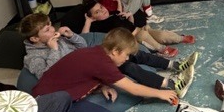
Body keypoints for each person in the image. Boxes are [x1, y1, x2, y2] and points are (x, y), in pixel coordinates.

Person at [18, 13, 196, 84]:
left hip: (88, 58)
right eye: (47, 29)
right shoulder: (32, 58)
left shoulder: (59, 38)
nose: (52, 29)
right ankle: (167, 84)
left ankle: (172, 65)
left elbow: (83, 45)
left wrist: (71, 36)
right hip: (81, 73)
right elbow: (46, 76)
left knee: (130, 52)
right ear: (34, 38)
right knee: (127, 66)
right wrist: (54, 49)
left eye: (50, 25)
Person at [33, 27, 192, 105]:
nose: (128, 58)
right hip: (44, 100)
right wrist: (160, 94)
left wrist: (102, 86)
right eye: (126, 55)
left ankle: (173, 66)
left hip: (46, 89)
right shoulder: (104, 64)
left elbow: (88, 72)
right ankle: (169, 83)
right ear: (115, 51)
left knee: (131, 64)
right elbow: (133, 88)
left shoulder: (98, 52)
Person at [82, 0, 194, 58]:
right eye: (98, 12)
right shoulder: (98, 25)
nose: (102, 10)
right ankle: (162, 49)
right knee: (144, 36)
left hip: (141, 28)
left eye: (101, 7)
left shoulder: (114, 15)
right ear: (93, 17)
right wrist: (88, 21)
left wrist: (129, 15)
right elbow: (84, 38)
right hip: (134, 37)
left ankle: (179, 38)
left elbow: (130, 23)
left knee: (161, 34)